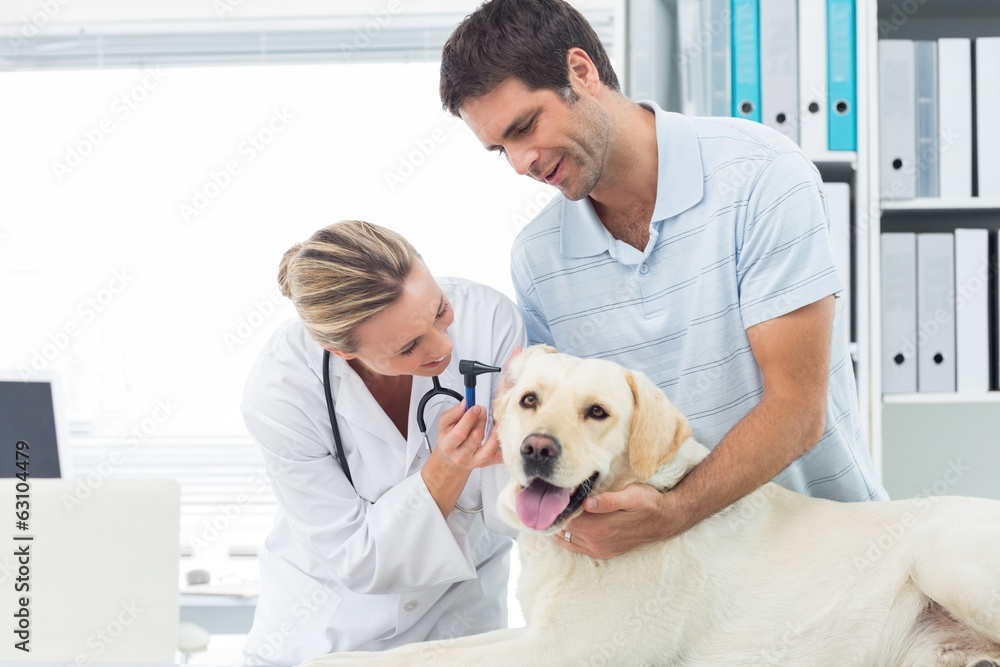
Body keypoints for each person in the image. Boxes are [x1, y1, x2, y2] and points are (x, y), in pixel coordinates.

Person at [439, 0, 887, 561]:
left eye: (525, 126)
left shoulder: (761, 176)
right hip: (670, 579)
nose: (521, 162)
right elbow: (582, 434)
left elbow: (797, 411)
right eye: (500, 149)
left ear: (581, 71)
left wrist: (672, 515)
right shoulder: (537, 257)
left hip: (824, 556)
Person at [241, 220, 525, 665]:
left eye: (440, 311)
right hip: (328, 632)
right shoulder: (282, 391)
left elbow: (514, 508)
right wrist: (446, 471)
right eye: (410, 346)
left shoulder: (489, 318)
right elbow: (359, 558)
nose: (444, 344)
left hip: (461, 623)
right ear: (341, 351)